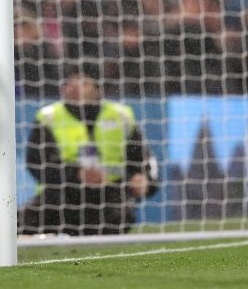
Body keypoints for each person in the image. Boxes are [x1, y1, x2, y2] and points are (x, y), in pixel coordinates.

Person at [18, 68, 158, 235]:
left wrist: (145, 179)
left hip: (110, 193)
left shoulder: (121, 115)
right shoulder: (49, 117)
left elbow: (143, 157)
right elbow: (36, 163)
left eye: (83, 82)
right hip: (62, 195)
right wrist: (76, 174)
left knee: (117, 218)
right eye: (70, 82)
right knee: (18, 224)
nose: (75, 87)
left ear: (97, 89)